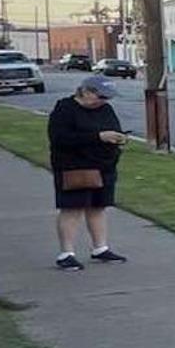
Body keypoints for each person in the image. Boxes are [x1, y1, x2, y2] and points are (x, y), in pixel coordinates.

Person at [47, 75, 130, 271]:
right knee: (72, 208)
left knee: (98, 207)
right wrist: (98, 137)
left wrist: (119, 139)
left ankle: (100, 247)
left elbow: (113, 129)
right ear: (85, 91)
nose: (103, 101)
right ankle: (66, 253)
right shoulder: (65, 109)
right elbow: (60, 139)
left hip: (104, 166)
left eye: (107, 98)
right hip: (75, 166)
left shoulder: (106, 109)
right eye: (100, 96)